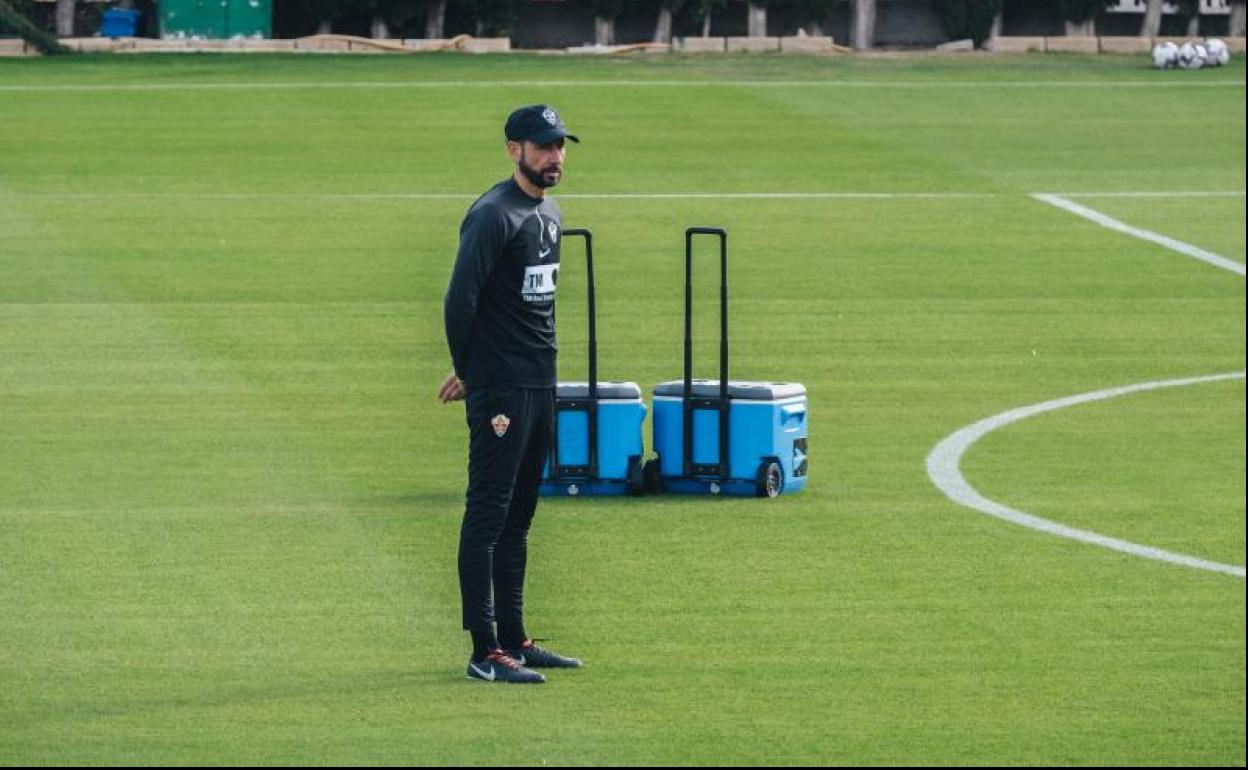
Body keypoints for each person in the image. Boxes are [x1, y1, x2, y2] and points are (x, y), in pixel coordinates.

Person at [439, 105, 584, 684]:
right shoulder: (492, 214)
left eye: (560, 146)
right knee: (487, 514)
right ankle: (483, 650)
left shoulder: (549, 212)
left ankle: (515, 639)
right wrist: (470, 370)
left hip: (539, 381)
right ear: (514, 150)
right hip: (500, 386)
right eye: (543, 147)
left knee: (520, 515)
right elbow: (459, 301)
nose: (555, 157)